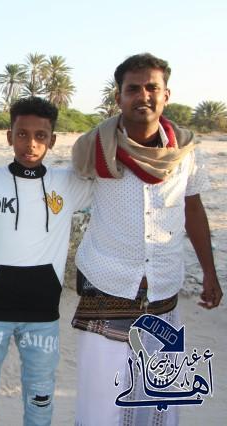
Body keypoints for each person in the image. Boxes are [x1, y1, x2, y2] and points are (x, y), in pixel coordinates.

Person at [71, 53, 223, 425]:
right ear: (119, 97)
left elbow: (193, 210)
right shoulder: (94, 149)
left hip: (163, 289)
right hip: (106, 286)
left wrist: (210, 272)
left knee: (159, 400)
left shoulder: (185, 152)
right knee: (101, 403)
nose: (144, 96)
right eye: (133, 89)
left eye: (152, 87)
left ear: (166, 95)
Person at [0, 97, 92, 426]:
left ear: (52, 140)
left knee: (40, 395)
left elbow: (107, 171)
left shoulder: (68, 183)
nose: (30, 143)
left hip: (42, 312)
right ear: (9, 136)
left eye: (40, 136)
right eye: (22, 134)